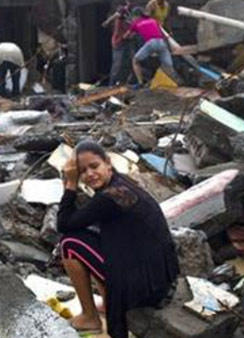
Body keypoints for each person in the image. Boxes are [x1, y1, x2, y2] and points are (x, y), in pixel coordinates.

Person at [57, 140, 179, 338]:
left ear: (108, 163)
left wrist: (70, 184)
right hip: (159, 278)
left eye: (94, 166)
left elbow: (64, 224)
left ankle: (90, 316)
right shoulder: (122, 183)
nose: (89, 174)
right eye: (82, 171)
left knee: (70, 244)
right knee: (94, 238)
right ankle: (107, 301)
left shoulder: (110, 196)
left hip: (144, 286)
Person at [124, 7, 177, 87]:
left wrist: (129, 32)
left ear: (136, 16)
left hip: (151, 43)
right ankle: (176, 82)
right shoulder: (153, 21)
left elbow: (126, 36)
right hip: (161, 42)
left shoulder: (135, 23)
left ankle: (140, 83)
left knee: (135, 60)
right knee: (168, 65)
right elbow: (159, 33)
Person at [103, 4, 132, 85]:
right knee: (117, 65)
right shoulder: (120, 20)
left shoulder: (125, 17)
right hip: (119, 42)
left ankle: (121, 82)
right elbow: (118, 14)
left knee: (129, 62)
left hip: (126, 42)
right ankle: (111, 84)